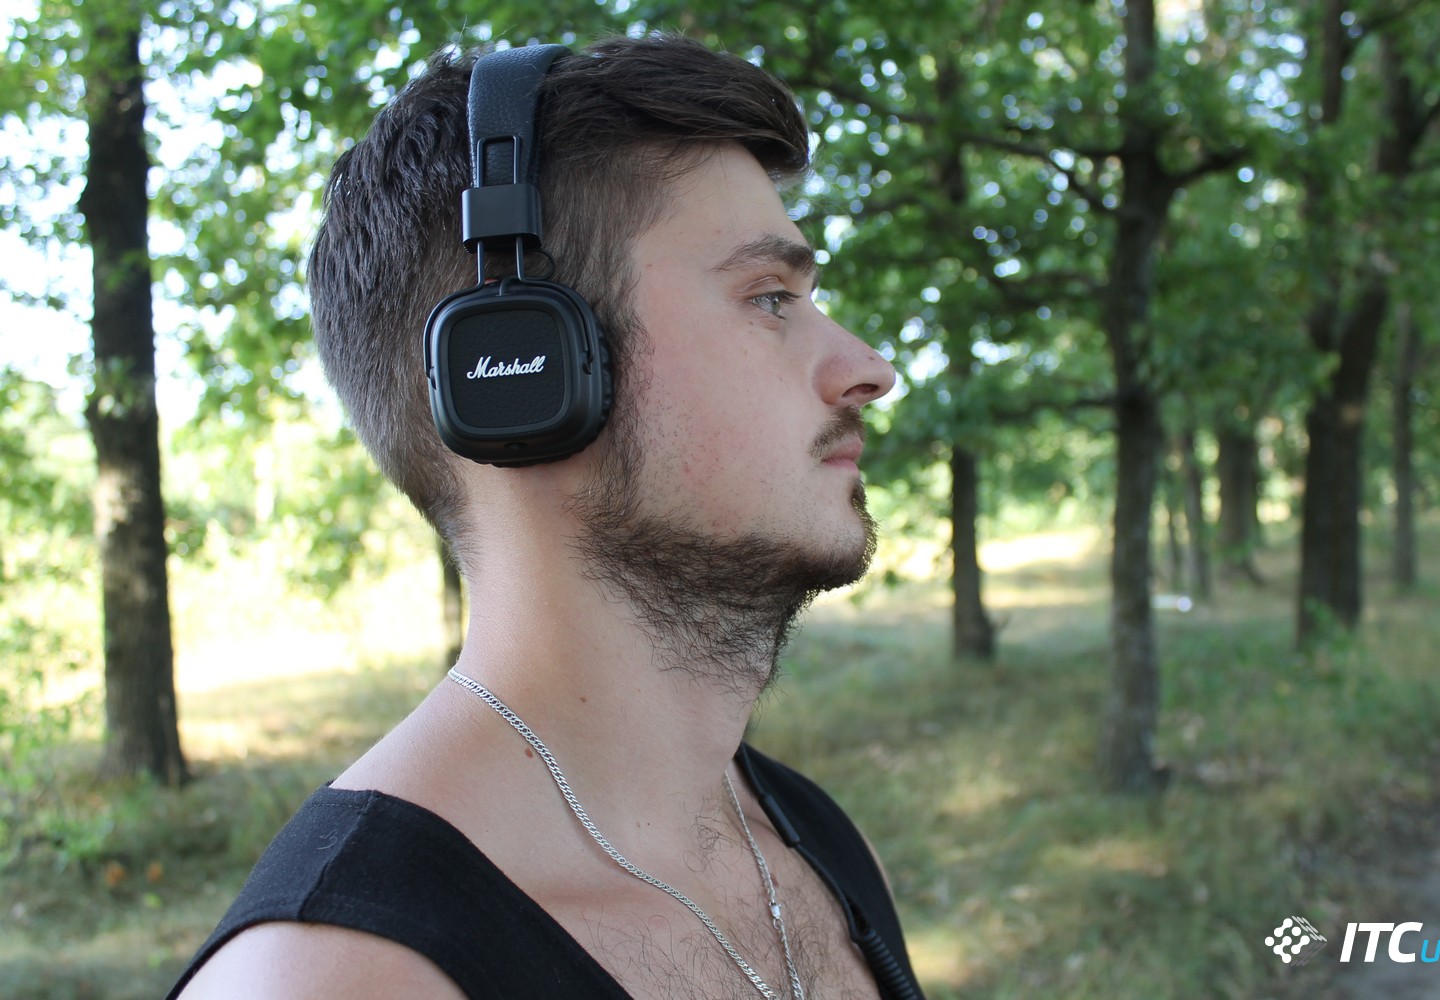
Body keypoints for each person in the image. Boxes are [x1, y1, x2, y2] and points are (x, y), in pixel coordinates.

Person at [169, 33, 924, 1000]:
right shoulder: (336, 979)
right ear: (523, 367)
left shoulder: (820, 848)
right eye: (769, 298)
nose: (868, 369)